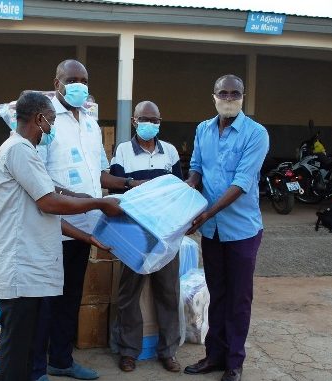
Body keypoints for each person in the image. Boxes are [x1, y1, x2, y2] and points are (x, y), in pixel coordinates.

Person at [0, 91, 123, 381]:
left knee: (26, 349)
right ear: (39, 119)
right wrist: (99, 203)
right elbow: (48, 202)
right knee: (16, 350)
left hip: (30, 266)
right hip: (19, 266)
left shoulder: (26, 151)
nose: (50, 129)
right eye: (50, 122)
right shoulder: (19, 150)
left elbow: (47, 213)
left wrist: (87, 238)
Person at [32, 59, 144, 381]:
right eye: (72, 79)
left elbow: (99, 175)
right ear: (57, 83)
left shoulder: (91, 125)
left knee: (71, 298)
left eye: (84, 79)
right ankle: (38, 365)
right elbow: (37, 178)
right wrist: (91, 201)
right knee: (46, 299)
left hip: (86, 228)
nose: (79, 84)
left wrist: (130, 187)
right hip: (54, 226)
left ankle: (62, 361)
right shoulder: (46, 120)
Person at [183, 74, 269, 381]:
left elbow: (242, 183)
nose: (229, 98)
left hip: (242, 230)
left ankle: (234, 361)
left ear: (243, 97)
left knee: (238, 298)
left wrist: (206, 213)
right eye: (224, 93)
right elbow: (196, 167)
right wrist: (189, 186)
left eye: (235, 93)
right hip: (213, 232)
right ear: (214, 95)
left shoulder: (256, 134)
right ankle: (214, 356)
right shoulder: (203, 129)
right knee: (217, 294)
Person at [109, 101, 183, 373]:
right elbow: (117, 191)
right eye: (144, 119)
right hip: (136, 232)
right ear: (134, 120)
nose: (149, 123)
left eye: (154, 119)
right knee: (129, 294)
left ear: (160, 121)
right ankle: (129, 352)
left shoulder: (170, 152)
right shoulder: (123, 151)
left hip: (165, 233)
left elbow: (178, 190)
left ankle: (168, 351)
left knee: (168, 292)